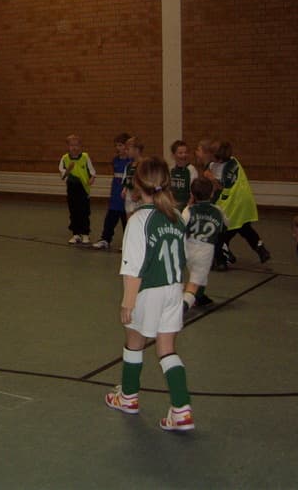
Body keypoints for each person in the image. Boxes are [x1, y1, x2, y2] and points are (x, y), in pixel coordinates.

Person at [105, 156, 194, 432]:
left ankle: (128, 397)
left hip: (149, 291)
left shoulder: (138, 220)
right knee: (167, 349)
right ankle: (182, 410)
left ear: (136, 184)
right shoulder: (176, 216)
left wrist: (127, 302)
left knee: (134, 341)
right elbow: (182, 259)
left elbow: (133, 267)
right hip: (173, 289)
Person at [205, 140, 270, 269]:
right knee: (245, 228)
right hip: (244, 203)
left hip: (231, 205)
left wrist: (211, 181)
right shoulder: (235, 161)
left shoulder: (220, 170)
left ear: (217, 158)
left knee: (222, 234)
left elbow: (220, 189)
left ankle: (222, 259)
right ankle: (260, 248)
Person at [182, 177, 226, 310]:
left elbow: (181, 226)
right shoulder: (218, 211)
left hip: (189, 248)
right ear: (212, 193)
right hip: (205, 251)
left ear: (192, 194)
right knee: (195, 281)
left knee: (199, 277)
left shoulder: (189, 210)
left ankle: (199, 297)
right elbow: (225, 225)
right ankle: (184, 305)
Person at [93, 132, 131, 250]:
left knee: (126, 220)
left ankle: (128, 242)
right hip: (115, 195)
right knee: (110, 219)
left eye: (121, 145)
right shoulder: (115, 160)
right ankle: (105, 239)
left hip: (126, 196)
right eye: (117, 146)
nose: (118, 148)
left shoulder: (131, 162)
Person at [59, 134, 96, 245]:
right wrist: (68, 171)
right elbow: (63, 176)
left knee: (84, 212)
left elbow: (92, 171)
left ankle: (85, 234)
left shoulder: (85, 157)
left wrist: (92, 179)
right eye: (71, 145)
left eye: (76, 145)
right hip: (72, 188)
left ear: (81, 146)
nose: (74, 148)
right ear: (68, 146)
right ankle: (76, 234)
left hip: (83, 189)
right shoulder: (65, 158)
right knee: (74, 211)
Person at [170, 140, 198, 211]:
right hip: (174, 207)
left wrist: (187, 207)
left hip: (187, 207)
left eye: (186, 152)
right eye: (180, 153)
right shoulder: (171, 169)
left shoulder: (191, 170)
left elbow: (194, 193)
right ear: (173, 155)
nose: (184, 155)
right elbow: (168, 190)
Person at [121, 136, 144, 218]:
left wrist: (139, 194)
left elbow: (145, 183)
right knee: (129, 221)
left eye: (128, 149)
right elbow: (127, 180)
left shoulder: (143, 164)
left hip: (139, 198)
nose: (126, 151)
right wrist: (125, 189)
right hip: (129, 197)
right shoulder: (129, 165)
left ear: (136, 150)